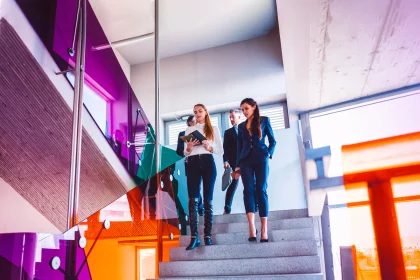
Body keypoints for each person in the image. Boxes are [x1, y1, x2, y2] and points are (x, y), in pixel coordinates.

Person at [234, 98, 276, 242]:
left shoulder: (264, 120)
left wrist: (269, 153)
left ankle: (264, 229)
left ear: (254, 107)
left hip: (261, 158)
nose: (244, 112)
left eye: (246, 108)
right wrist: (237, 165)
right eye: (242, 109)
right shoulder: (240, 127)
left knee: (261, 189)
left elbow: (273, 140)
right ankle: (252, 228)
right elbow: (239, 147)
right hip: (245, 160)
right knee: (248, 190)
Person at [184, 104, 223, 250]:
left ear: (206, 112)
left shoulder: (214, 129)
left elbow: (220, 150)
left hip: (208, 162)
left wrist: (209, 147)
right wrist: (188, 148)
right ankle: (194, 238)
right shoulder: (189, 129)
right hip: (193, 162)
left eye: (200, 111)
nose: (197, 114)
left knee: (208, 200)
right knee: (193, 200)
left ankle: (207, 236)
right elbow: (185, 153)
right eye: (195, 112)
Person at [176, 116, 204, 216]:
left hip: (202, 162)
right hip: (189, 164)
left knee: (199, 186)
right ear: (191, 123)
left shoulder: (202, 132)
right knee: (193, 187)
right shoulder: (182, 134)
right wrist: (187, 149)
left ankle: (200, 209)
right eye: (195, 122)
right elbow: (179, 150)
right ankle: (199, 209)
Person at [222, 109, 241, 214]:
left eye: (233, 116)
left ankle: (255, 206)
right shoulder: (228, 132)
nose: (231, 119)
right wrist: (226, 161)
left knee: (252, 183)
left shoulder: (246, 129)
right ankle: (227, 208)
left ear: (239, 117)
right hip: (234, 163)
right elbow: (226, 149)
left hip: (247, 162)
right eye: (230, 117)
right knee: (234, 184)